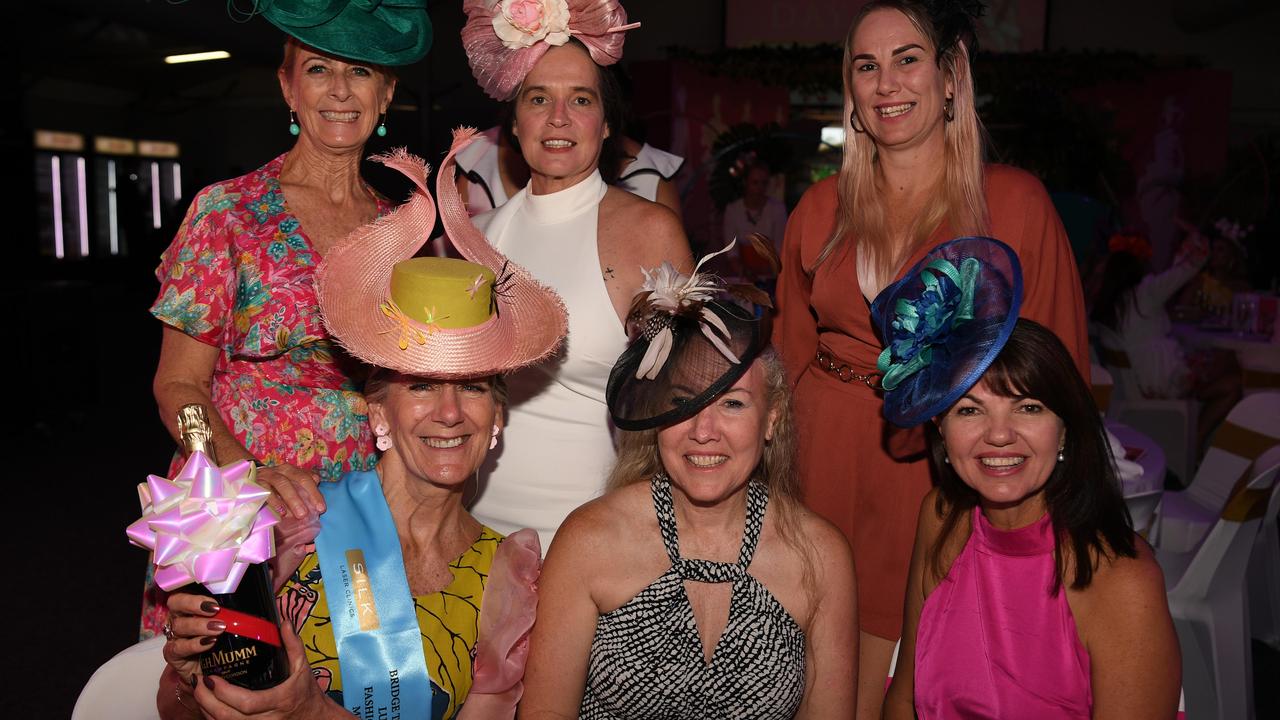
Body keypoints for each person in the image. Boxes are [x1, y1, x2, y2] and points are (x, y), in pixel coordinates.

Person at [155, 146, 568, 720]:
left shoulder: (510, 575)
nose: (449, 412)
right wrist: (186, 678)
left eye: (472, 388)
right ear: (377, 414)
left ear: (498, 416)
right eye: (420, 386)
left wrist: (310, 711)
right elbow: (180, 709)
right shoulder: (291, 532)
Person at [771, 2, 1089, 713]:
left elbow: (1062, 376)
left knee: (913, 678)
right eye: (866, 66)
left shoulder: (1014, 204)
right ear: (850, 91)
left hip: (940, 472)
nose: (887, 83)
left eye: (907, 59)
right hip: (819, 462)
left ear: (950, 79)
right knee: (807, 668)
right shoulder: (818, 210)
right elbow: (784, 363)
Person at [143, 0, 431, 640]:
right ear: (287, 86)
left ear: (386, 95)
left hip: (361, 494)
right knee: (228, 679)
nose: (339, 90)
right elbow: (178, 386)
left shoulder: (401, 230)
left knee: (351, 683)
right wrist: (247, 474)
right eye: (318, 69)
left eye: (359, 73)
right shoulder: (226, 213)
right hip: (233, 488)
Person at [520, 249, 858, 717]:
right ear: (658, 416)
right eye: (684, 402)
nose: (704, 431)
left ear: (771, 418)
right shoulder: (588, 542)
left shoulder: (821, 558)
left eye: (733, 404)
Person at [878, 237, 1180, 718]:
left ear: (1065, 427)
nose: (999, 436)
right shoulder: (941, 518)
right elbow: (904, 698)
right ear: (940, 427)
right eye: (970, 409)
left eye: (1029, 407)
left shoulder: (1122, 580)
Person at [457, 0, 694, 551]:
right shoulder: (475, 239)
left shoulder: (651, 233)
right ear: (514, 123)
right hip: (478, 529)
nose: (558, 118)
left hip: (604, 538)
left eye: (580, 100)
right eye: (539, 98)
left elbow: (687, 401)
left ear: (607, 123)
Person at [1091, 227, 1240, 451]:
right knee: (1231, 377)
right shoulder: (1146, 293)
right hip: (1161, 385)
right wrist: (1195, 232)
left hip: (1136, 388)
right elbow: (1188, 267)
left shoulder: (1108, 306)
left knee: (1224, 364)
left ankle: (1194, 442)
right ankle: (1195, 444)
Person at [723, 163, 788, 283]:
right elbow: (731, 252)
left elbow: (780, 248)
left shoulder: (777, 209)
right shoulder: (733, 210)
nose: (759, 188)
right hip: (742, 277)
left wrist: (769, 270)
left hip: (771, 276)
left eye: (764, 183)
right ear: (745, 183)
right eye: (755, 182)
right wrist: (744, 272)